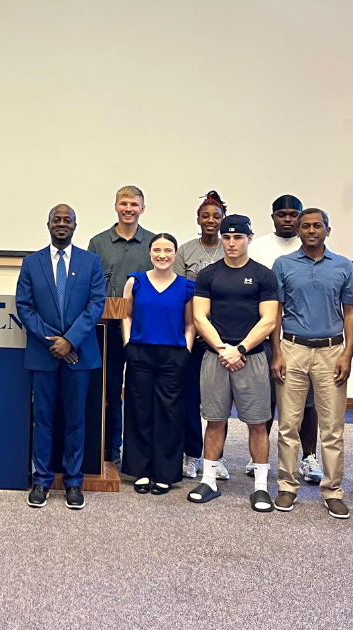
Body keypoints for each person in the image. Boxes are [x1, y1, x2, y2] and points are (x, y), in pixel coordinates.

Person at [271, 208, 353, 518]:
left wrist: (347, 354)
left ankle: (333, 490)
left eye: (317, 225)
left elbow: (351, 311)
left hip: (331, 352)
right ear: (298, 230)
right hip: (292, 348)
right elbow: (275, 313)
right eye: (305, 226)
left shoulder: (342, 265)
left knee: (333, 427)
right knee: (288, 425)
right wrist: (277, 353)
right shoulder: (283, 265)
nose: (311, 230)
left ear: (327, 229)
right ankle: (287, 486)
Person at [16, 204, 106, 510]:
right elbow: (24, 306)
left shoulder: (91, 261)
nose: (62, 224)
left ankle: (73, 482)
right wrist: (51, 341)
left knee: (75, 420)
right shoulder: (31, 263)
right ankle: (41, 480)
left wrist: (70, 340)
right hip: (43, 355)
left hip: (79, 355)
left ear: (75, 226)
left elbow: (96, 305)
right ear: (48, 224)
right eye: (57, 220)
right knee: (42, 420)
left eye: (68, 220)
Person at [187, 215, 278, 512]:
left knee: (257, 423)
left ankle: (261, 487)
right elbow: (201, 316)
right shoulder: (209, 275)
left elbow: (269, 320)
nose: (231, 242)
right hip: (216, 357)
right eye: (227, 237)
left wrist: (240, 349)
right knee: (214, 420)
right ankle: (209, 480)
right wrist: (223, 349)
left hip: (250, 359)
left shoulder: (264, 275)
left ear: (249, 239)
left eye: (238, 237)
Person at [247, 194, 322, 485]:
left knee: (306, 404)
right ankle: (260, 457)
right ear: (273, 217)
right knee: (264, 399)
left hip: (299, 336)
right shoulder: (260, 248)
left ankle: (308, 458)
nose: (288, 219)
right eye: (282, 215)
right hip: (263, 335)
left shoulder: (311, 247)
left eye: (294, 215)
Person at [88, 185, 155, 466]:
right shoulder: (98, 243)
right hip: (106, 329)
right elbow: (88, 285)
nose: (129, 209)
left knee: (142, 391)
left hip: (144, 329)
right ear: (116, 207)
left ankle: (140, 451)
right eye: (124, 203)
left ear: (143, 208)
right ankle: (110, 446)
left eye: (134, 204)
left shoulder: (154, 243)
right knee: (111, 390)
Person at [122, 233, 191, 495]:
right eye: (157, 250)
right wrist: (129, 344)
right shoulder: (135, 281)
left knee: (170, 414)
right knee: (139, 410)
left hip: (173, 355)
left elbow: (190, 323)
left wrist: (186, 350)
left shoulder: (186, 286)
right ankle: (140, 470)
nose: (162, 255)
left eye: (168, 250)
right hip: (140, 353)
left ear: (175, 254)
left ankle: (165, 473)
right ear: (150, 253)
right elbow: (126, 315)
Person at [171, 190, 229, 481]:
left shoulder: (229, 248)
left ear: (223, 220)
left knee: (219, 398)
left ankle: (216, 458)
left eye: (216, 216)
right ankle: (192, 453)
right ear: (198, 218)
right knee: (191, 396)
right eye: (205, 216)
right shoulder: (185, 250)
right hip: (194, 334)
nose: (210, 220)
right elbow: (180, 292)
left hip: (224, 336)